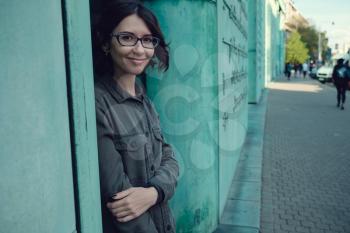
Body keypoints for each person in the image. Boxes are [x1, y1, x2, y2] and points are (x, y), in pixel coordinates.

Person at [92, 2, 179, 233]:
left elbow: (170, 157)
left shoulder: (144, 98)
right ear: (105, 43)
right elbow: (120, 201)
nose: (140, 50)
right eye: (127, 38)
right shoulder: (97, 104)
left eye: (148, 40)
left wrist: (154, 193)